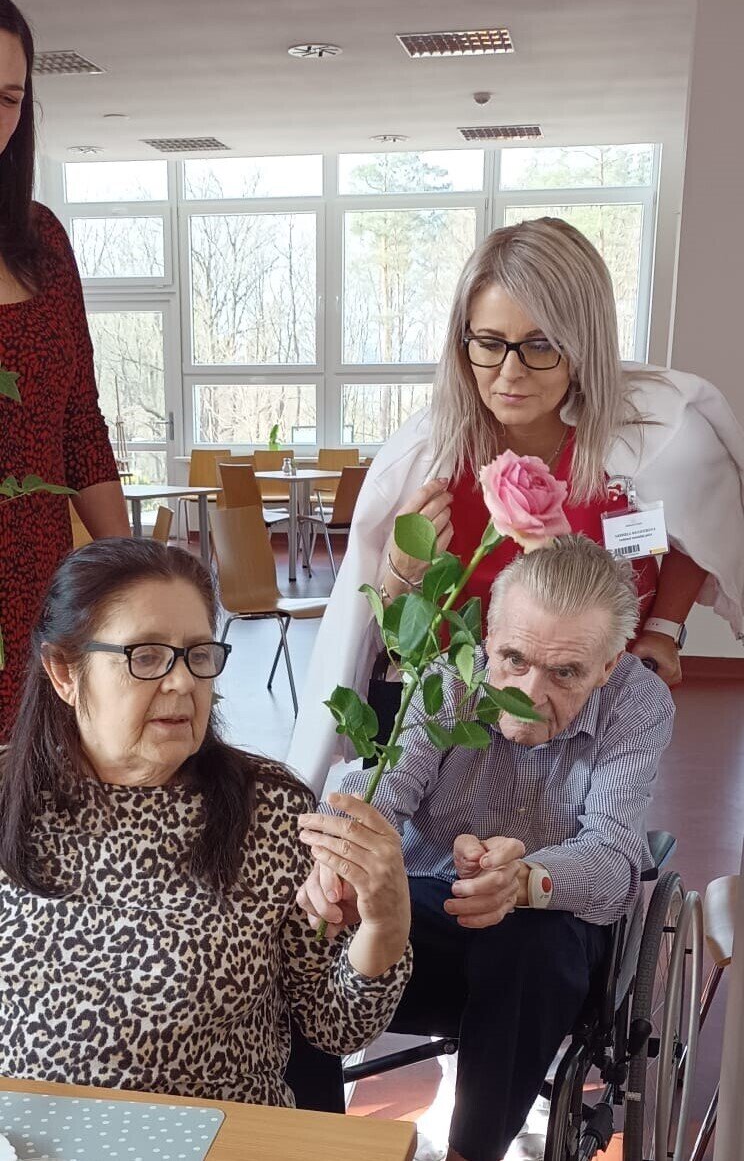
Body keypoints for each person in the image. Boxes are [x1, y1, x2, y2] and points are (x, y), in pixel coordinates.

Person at [288, 217, 744, 797]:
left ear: (583, 343)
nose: (510, 373)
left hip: (588, 710)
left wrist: (663, 629)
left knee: (584, 838)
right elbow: (382, 632)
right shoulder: (429, 458)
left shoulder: (649, 438)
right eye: (489, 343)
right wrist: (400, 571)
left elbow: (698, 531)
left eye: (540, 345)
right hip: (453, 713)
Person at [298, 536, 675, 1161]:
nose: (529, 692)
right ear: (489, 637)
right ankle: (314, 1144)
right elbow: (384, 789)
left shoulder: (635, 703)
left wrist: (527, 879)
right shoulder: (450, 679)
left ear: (608, 666)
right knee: (304, 933)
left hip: (545, 944)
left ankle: (471, 1153)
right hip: (422, 915)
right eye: (513, 659)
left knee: (529, 939)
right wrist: (340, 861)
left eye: (565, 672)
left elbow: (613, 857)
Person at [0, 538, 412, 1105]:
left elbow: (334, 1026)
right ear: (64, 672)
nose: (182, 682)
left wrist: (385, 926)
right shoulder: (11, 798)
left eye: (198, 654)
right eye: (146, 656)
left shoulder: (267, 812)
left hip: (221, 1135)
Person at [0, 0, 130, 735]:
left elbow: (79, 425)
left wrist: (132, 573)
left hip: (41, 607)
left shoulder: (42, 238)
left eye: (9, 99)